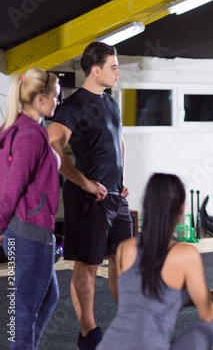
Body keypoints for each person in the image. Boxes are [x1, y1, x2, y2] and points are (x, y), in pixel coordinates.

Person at [47, 42, 133, 350]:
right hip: (88, 198)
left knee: (123, 260)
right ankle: (89, 333)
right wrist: (84, 182)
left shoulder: (109, 100)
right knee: (87, 265)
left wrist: (122, 179)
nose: (118, 72)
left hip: (115, 196)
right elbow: (53, 148)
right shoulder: (73, 106)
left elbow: (118, 139)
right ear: (95, 71)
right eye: (113, 67)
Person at [97, 173, 213, 350]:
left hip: (109, 345)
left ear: (147, 206)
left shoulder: (125, 248)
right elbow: (207, 314)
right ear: (180, 209)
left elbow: (139, 302)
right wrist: (203, 297)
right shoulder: (185, 253)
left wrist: (186, 298)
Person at [0, 68, 60, 349]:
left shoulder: (15, 130)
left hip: (26, 231)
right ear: (40, 100)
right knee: (23, 312)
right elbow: (11, 187)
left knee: (47, 298)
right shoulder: (29, 134)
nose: (57, 103)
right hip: (29, 234)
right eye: (55, 97)